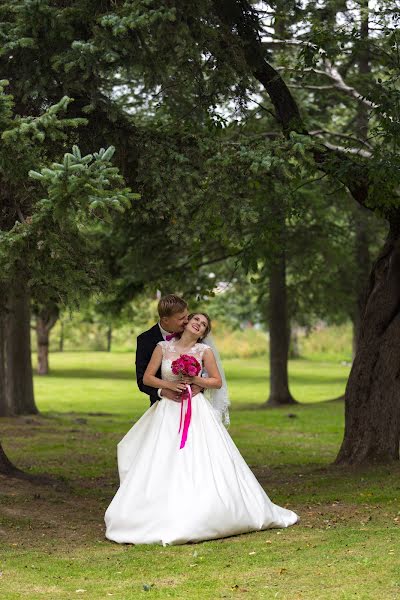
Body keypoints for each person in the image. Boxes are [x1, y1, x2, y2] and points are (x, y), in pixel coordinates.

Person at [105, 312, 299, 546]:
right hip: (168, 410)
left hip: (196, 410)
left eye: (203, 325)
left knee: (200, 458)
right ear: (187, 323)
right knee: (162, 458)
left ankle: (211, 510)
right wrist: (170, 386)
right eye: (196, 320)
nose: (198, 325)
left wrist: (195, 380)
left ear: (204, 333)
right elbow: (147, 377)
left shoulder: (203, 352)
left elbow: (216, 381)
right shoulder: (162, 347)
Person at [135, 294, 203, 406]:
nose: (187, 321)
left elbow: (206, 368)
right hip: (162, 404)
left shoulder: (191, 333)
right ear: (165, 320)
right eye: (181, 318)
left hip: (193, 403)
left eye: (187, 316)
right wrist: (162, 392)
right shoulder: (145, 340)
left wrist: (200, 385)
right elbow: (142, 380)